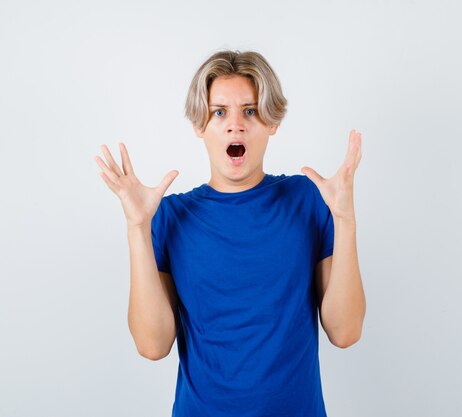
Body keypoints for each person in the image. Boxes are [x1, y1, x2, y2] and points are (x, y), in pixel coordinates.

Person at [94, 49, 366, 417]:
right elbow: (152, 344)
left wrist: (345, 220)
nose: (235, 124)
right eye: (219, 112)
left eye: (250, 111)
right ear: (199, 126)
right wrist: (137, 228)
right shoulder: (170, 216)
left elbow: (345, 332)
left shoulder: (308, 201)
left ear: (272, 122)